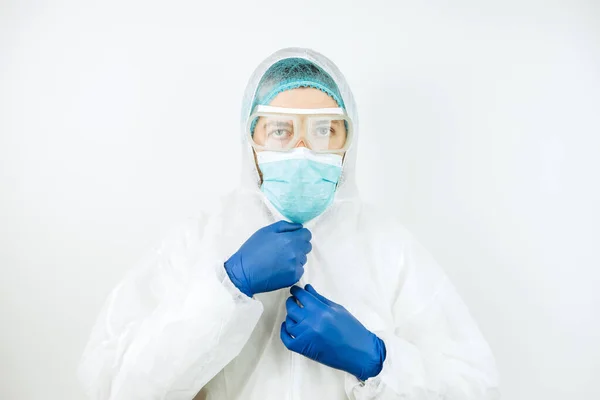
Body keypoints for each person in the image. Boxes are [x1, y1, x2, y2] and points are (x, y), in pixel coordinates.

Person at [78, 48, 500, 400]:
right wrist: (226, 288)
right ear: (251, 140)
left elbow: (475, 384)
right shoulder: (200, 238)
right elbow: (116, 385)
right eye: (280, 130)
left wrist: (376, 360)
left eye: (323, 130)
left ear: (347, 142)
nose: (301, 151)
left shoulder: (387, 248)